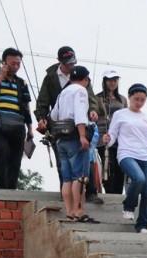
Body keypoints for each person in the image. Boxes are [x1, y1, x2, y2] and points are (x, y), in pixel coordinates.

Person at [34, 46, 99, 191]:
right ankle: (69, 196)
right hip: (60, 128)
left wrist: (93, 110)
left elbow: (91, 98)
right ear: (59, 61)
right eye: (68, 63)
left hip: (79, 126)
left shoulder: (82, 76)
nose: (71, 65)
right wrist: (42, 118)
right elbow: (43, 102)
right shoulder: (50, 78)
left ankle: (90, 193)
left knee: (86, 159)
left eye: (73, 62)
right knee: (63, 163)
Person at [104, 83, 147, 234]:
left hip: (146, 157)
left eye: (143, 100)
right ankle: (128, 206)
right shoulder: (120, 114)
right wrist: (107, 140)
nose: (139, 103)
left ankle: (142, 226)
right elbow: (112, 136)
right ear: (129, 97)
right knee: (139, 178)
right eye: (136, 99)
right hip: (127, 154)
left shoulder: (146, 117)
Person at [50, 65, 98, 223]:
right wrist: (83, 136)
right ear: (85, 79)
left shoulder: (63, 92)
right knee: (80, 177)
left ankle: (69, 211)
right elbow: (79, 114)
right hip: (75, 137)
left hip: (61, 138)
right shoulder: (81, 91)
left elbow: (54, 115)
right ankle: (79, 211)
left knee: (67, 178)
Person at [0, 47, 34, 189]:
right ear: (4, 62)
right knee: (2, 150)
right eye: (12, 63)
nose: (16, 66)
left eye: (18, 63)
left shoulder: (21, 83)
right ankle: (0, 185)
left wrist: (30, 128)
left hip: (18, 123)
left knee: (16, 157)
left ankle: (11, 187)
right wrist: (1, 76)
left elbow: (26, 106)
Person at [95, 69, 127, 195]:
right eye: (109, 80)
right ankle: (109, 193)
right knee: (108, 166)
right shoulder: (97, 98)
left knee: (120, 168)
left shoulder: (122, 99)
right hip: (103, 136)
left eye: (115, 80)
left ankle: (118, 195)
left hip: (119, 138)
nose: (112, 83)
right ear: (105, 81)